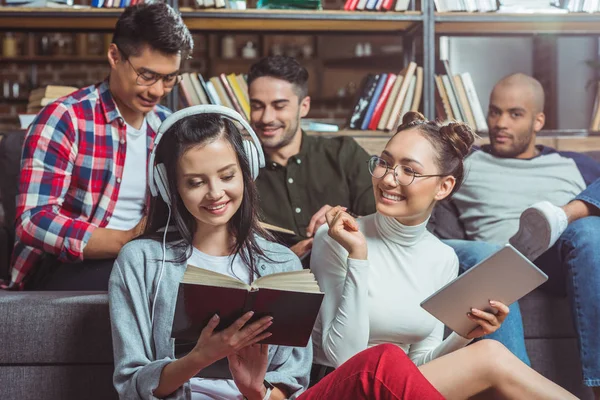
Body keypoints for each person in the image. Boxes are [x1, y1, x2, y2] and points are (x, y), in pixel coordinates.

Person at [108, 106, 450, 400]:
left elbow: (292, 382)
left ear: (247, 172)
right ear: (170, 187)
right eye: (195, 182)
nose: (215, 193)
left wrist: (255, 390)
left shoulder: (279, 263)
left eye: (227, 176)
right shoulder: (141, 262)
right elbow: (130, 385)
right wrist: (200, 357)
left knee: (385, 361)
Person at [310, 111, 576, 399]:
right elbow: (345, 360)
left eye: (409, 170)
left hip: (398, 387)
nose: (388, 179)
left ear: (444, 186)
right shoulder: (337, 238)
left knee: (488, 349)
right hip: (342, 386)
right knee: (491, 356)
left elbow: (422, 363)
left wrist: (464, 334)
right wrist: (358, 257)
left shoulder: (442, 258)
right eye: (384, 163)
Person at [3, 3, 193, 290]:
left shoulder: (168, 127)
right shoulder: (65, 118)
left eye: (169, 79)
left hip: (148, 258)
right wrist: (127, 240)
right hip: (65, 264)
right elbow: (33, 221)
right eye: (147, 75)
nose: (157, 91)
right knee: (144, 284)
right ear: (114, 56)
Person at [448, 73, 600, 397]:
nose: (500, 123)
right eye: (494, 112)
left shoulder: (574, 164)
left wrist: (568, 216)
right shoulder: (464, 164)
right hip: (503, 260)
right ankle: (533, 236)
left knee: (587, 229)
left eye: (515, 114)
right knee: (497, 255)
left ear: (538, 120)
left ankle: (560, 217)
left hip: (567, 261)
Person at [247, 56, 375, 261]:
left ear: (304, 106)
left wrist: (347, 219)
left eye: (279, 106)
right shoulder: (240, 170)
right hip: (276, 285)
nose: (266, 118)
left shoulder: (344, 153)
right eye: (257, 106)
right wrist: (286, 259)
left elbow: (388, 221)